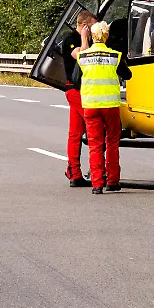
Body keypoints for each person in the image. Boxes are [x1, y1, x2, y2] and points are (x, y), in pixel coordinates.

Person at [75, 20, 129, 194]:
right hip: (111, 106)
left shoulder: (83, 56)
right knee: (112, 143)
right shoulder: (115, 56)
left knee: (95, 145)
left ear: (91, 36)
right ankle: (112, 181)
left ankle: (97, 184)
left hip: (90, 106)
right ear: (107, 37)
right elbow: (128, 74)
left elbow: (76, 77)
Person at [60, 10, 96, 187]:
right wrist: (84, 37)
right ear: (85, 27)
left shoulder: (88, 40)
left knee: (75, 134)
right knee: (95, 128)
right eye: (93, 26)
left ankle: (74, 172)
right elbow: (83, 57)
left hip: (84, 90)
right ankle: (98, 173)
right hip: (75, 90)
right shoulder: (70, 39)